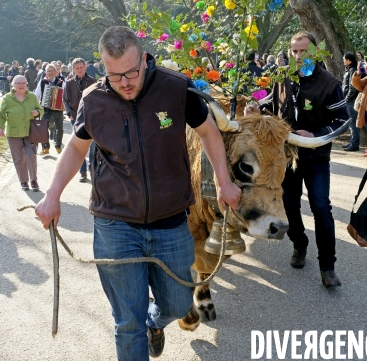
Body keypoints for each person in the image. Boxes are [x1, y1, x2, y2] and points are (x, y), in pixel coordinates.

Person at [35, 26, 241, 360]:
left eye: (132, 72)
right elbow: (75, 148)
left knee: (177, 303)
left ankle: (155, 321)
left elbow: (208, 132)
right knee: (126, 324)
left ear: (144, 59)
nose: (126, 82)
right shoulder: (94, 100)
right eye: (115, 75)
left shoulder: (176, 88)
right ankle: (139, 327)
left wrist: (223, 182)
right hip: (115, 224)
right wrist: (53, 194)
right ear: (102, 67)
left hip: (171, 222)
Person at [258, 32, 349, 288]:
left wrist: (316, 134)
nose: (298, 57)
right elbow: (271, 103)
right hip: (286, 157)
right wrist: (256, 107)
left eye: (303, 51)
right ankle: (300, 244)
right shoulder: (283, 76)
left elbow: (342, 121)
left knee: (321, 208)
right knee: (288, 205)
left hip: (317, 157)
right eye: (294, 51)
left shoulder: (329, 84)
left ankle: (328, 266)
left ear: (315, 52)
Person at [0, 76, 44, 191]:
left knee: (31, 155)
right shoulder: (7, 98)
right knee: (19, 158)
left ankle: (33, 180)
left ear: (27, 84)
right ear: (13, 85)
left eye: (23, 83)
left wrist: (37, 112)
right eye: (18, 83)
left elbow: (41, 109)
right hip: (13, 133)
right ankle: (23, 181)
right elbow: (0, 114)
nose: (21, 85)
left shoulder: (32, 96)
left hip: (30, 132)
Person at [62, 58, 96, 182]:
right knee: (78, 147)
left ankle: (93, 169)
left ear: (85, 67)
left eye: (81, 67)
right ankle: (82, 172)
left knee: (93, 146)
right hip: (75, 118)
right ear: (73, 69)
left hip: (91, 118)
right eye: (77, 68)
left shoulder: (93, 82)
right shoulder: (69, 83)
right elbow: (65, 100)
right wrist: (69, 114)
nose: (80, 70)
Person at [35, 64, 65, 154]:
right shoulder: (42, 82)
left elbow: (65, 95)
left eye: (52, 70)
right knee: (43, 128)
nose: (50, 72)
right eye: (48, 71)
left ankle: (58, 145)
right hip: (45, 109)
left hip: (58, 109)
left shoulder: (61, 82)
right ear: (46, 72)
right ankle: (46, 147)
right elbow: (37, 95)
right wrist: (37, 106)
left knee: (59, 128)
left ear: (56, 72)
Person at [341, 51, 359, 152]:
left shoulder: (353, 71)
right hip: (349, 100)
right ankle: (353, 141)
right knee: (351, 123)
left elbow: (353, 87)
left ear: (349, 60)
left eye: (344, 59)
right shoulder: (350, 70)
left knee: (353, 123)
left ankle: (355, 144)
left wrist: (347, 99)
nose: (343, 61)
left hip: (351, 100)